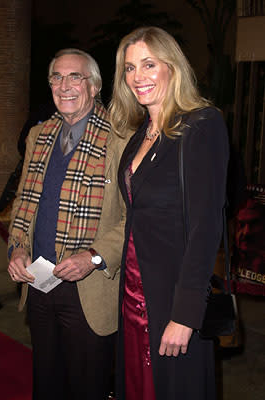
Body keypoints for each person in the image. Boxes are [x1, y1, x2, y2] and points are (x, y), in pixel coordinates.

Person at [109, 27, 229, 399]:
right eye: (129, 68)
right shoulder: (139, 134)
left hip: (171, 298)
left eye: (148, 64)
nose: (137, 77)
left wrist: (185, 314)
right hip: (132, 293)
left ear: (172, 67)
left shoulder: (201, 125)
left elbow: (205, 227)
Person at [7, 48, 129, 400]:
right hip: (39, 281)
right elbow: (24, 202)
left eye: (75, 76)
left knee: (87, 385)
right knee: (47, 381)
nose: (65, 85)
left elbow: (134, 218)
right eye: (57, 77)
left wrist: (92, 257)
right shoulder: (38, 135)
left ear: (94, 86)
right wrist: (16, 248)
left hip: (90, 290)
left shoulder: (120, 139)